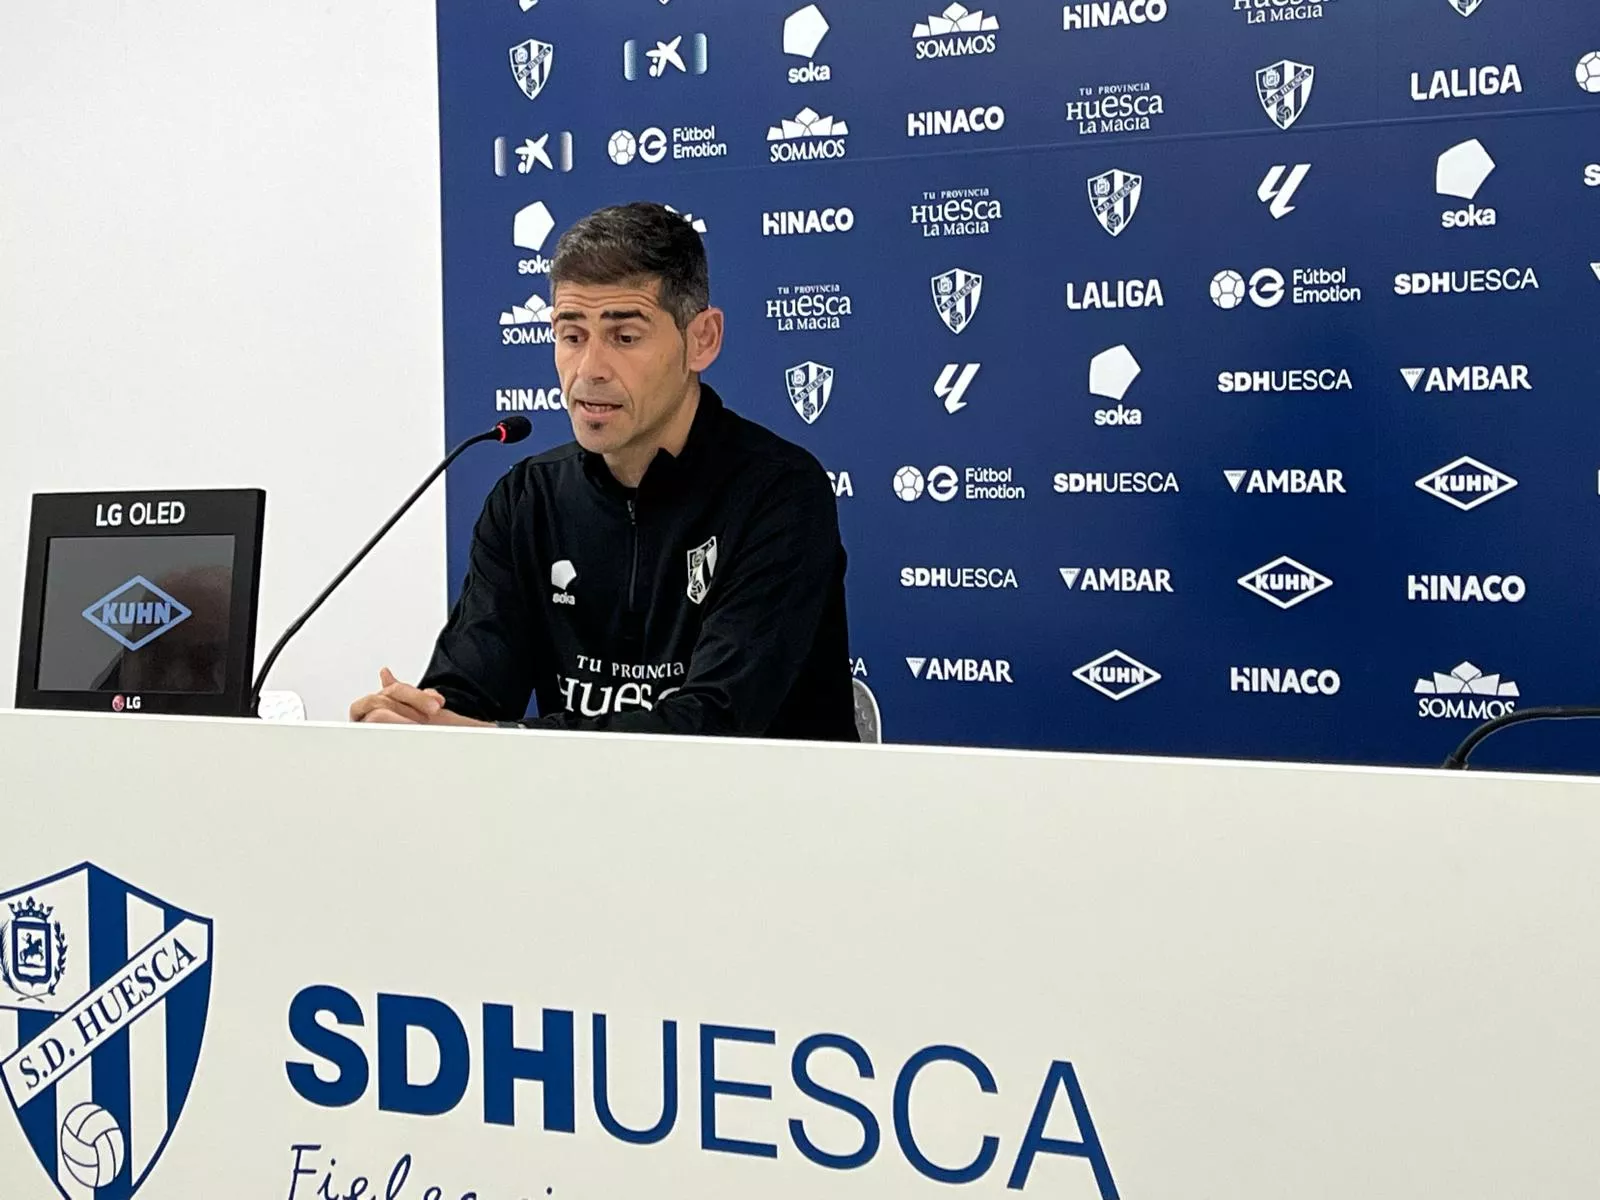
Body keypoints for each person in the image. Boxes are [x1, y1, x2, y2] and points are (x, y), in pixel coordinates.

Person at [349, 201, 857, 739]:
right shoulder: (528, 499)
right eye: (572, 337)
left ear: (701, 339)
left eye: (625, 337)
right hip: (571, 815)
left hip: (757, 815)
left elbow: (715, 722)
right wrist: (414, 724)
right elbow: (469, 691)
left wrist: (499, 738)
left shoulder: (779, 493)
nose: (589, 371)